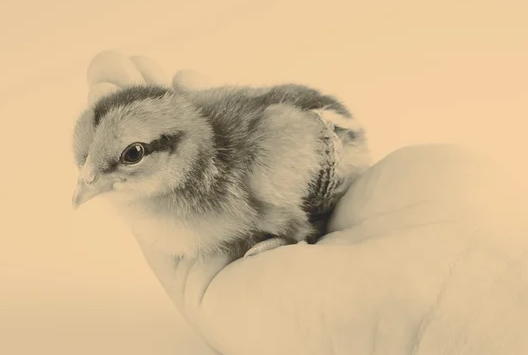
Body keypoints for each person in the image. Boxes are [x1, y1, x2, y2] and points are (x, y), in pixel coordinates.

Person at [85, 51, 528, 355]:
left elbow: (305, 135)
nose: (89, 183)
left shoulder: (261, 163)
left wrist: (465, 290)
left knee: (272, 162)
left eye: (131, 156)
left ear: (174, 150)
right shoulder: (167, 188)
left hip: (316, 133)